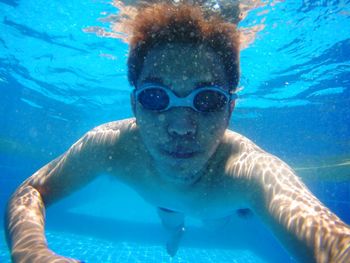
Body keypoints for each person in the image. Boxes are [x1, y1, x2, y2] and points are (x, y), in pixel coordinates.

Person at [5, 2, 350, 263]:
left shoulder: (252, 172)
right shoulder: (109, 145)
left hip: (217, 207)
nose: (181, 127)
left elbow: (334, 245)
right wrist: (33, 252)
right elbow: (32, 189)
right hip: (162, 202)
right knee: (171, 222)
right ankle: (175, 231)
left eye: (207, 99)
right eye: (156, 97)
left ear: (230, 109)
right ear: (134, 105)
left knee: (215, 223)